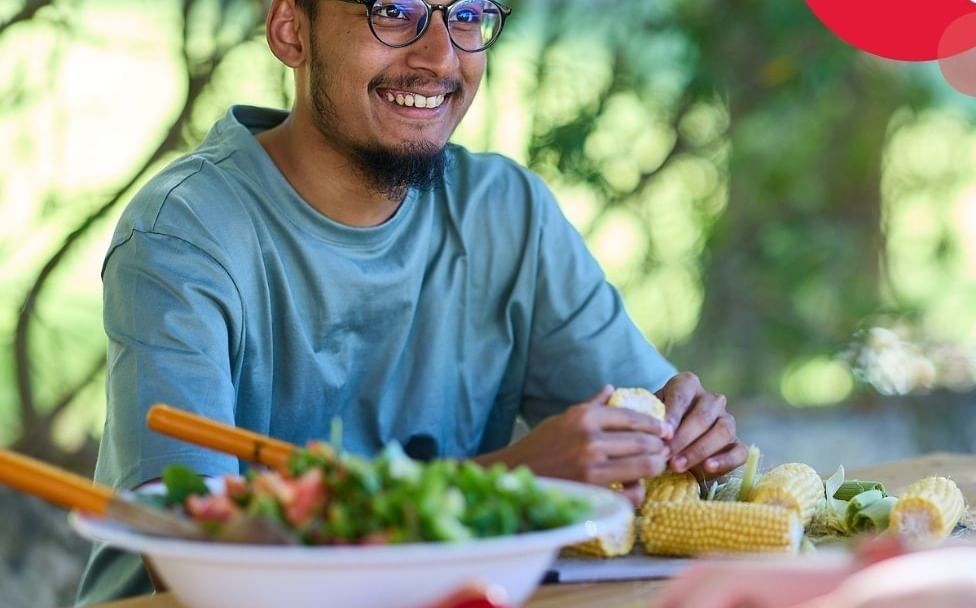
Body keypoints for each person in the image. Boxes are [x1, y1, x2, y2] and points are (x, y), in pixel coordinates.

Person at [77, 0, 746, 603]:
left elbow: (650, 448)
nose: (440, 56)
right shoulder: (184, 231)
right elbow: (185, 550)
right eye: (393, 10)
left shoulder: (508, 217)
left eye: (467, 14)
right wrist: (511, 480)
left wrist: (681, 439)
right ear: (290, 30)